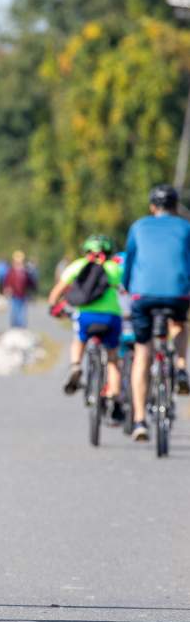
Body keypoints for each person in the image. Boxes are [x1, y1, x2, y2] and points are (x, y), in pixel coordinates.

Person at [122, 184, 190, 441]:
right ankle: (182, 366)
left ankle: (140, 420)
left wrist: (129, 289)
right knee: (181, 323)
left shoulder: (138, 226)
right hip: (178, 294)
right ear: (175, 207)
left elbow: (129, 264)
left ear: (153, 207)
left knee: (142, 352)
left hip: (143, 296)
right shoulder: (186, 227)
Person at [47, 235, 124, 422]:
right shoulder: (114, 268)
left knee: (79, 339)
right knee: (113, 359)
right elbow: (128, 290)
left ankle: (75, 367)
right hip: (111, 317)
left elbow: (58, 291)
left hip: (86, 316)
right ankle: (114, 395)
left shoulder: (78, 265)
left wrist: (52, 306)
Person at [3, 250, 37, 328]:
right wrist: (6, 289)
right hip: (14, 293)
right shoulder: (11, 271)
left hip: (23, 294)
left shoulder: (25, 271)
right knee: (15, 309)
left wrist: (32, 289)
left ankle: (21, 325)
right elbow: (7, 281)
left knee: (22, 310)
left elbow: (30, 282)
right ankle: (15, 324)